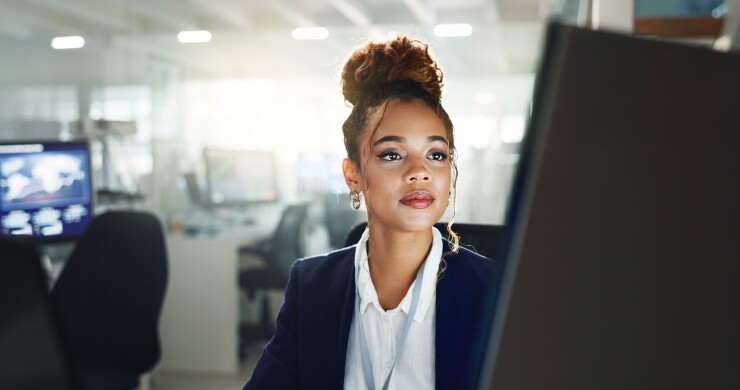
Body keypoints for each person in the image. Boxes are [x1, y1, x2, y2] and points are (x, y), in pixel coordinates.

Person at [243, 36, 503, 390]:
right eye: (392, 154)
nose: (419, 171)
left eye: (436, 155)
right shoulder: (312, 287)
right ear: (354, 175)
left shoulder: (496, 294)